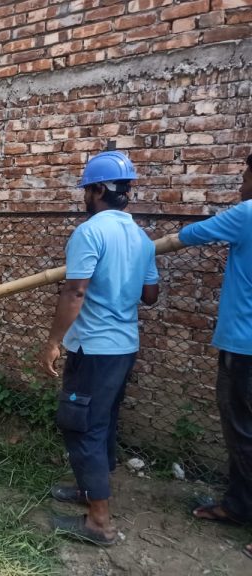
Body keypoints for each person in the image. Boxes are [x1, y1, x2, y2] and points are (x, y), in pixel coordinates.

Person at [37, 151, 159, 546]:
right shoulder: (141, 237)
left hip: (94, 348)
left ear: (98, 190)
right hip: (124, 347)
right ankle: (88, 490)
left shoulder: (90, 233)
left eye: (86, 189)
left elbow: (75, 291)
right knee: (101, 421)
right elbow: (151, 295)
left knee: (81, 424)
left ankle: (99, 523)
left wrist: (54, 341)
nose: (84, 197)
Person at [179, 153, 252, 563]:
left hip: (245, 347)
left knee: (243, 432)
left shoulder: (247, 214)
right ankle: (238, 506)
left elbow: (193, 234)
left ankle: (241, 506)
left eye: (245, 177)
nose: (241, 186)